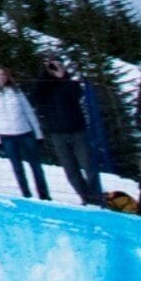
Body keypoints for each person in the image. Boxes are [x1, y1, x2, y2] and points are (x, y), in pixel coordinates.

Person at [29, 55, 105, 210]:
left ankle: (96, 199)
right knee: (71, 172)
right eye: (50, 65)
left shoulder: (68, 82)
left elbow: (77, 94)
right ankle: (86, 198)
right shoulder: (43, 86)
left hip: (78, 131)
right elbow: (34, 98)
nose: (53, 68)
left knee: (89, 166)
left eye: (57, 65)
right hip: (57, 134)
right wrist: (44, 74)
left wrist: (63, 76)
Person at [0, 64, 48, 200]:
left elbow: (29, 112)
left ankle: (44, 195)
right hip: (7, 137)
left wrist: (38, 133)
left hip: (25, 133)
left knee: (35, 166)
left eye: (3, 74)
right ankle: (26, 194)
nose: (1, 77)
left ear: (7, 76)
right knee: (18, 168)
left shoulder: (17, 91)